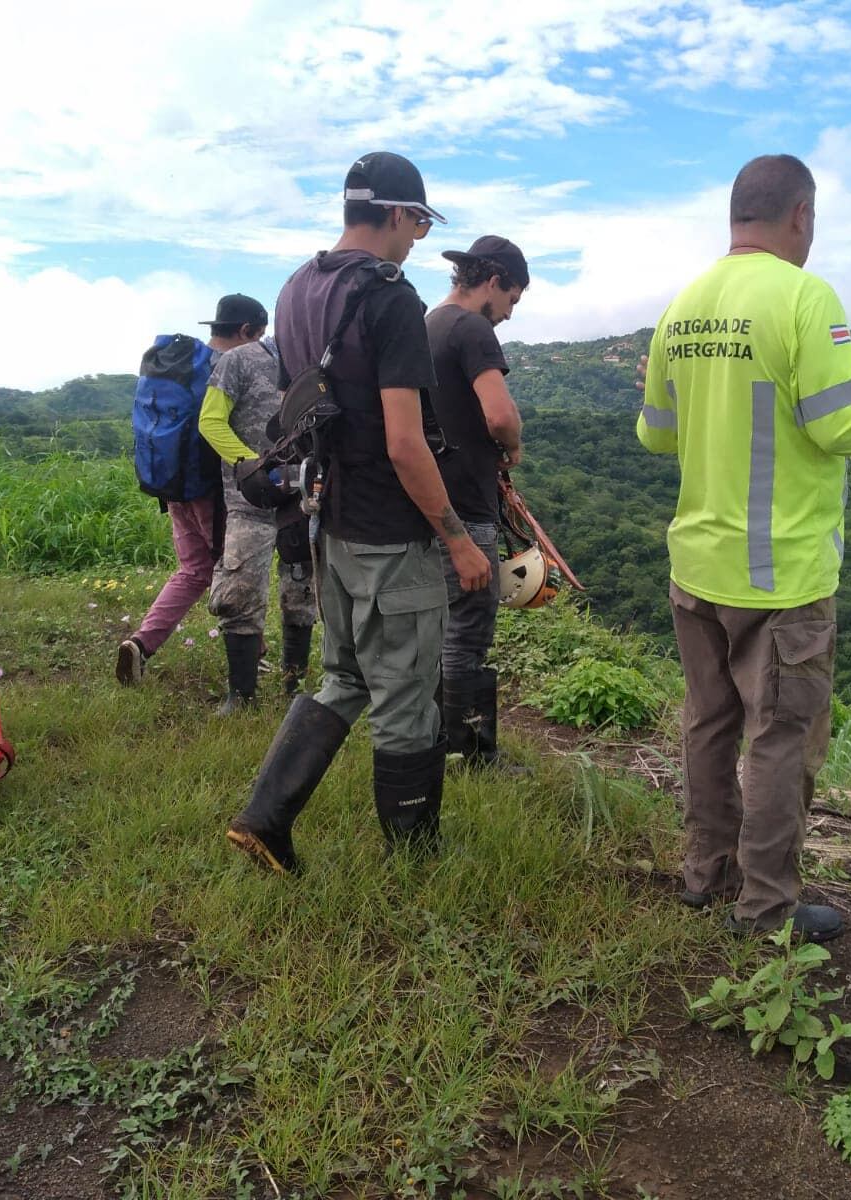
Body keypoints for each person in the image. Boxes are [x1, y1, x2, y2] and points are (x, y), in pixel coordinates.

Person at [637, 154, 851, 940]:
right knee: (781, 741)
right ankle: (764, 910)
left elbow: (654, 436)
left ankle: (703, 876)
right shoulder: (803, 297)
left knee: (708, 724)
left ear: (736, 215)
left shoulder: (682, 306)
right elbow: (842, 425)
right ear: (801, 214)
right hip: (781, 576)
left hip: (696, 564)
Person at [226, 151, 492, 873]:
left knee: (344, 677)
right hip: (391, 531)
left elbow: (303, 409)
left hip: (328, 523)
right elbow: (407, 444)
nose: (415, 240)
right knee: (407, 696)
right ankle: (418, 862)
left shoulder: (295, 289)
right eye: (418, 225)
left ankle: (265, 818)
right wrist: (459, 540)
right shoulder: (388, 296)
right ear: (401, 214)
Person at [116, 295, 266, 687]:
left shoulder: (181, 364)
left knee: (195, 569)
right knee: (234, 571)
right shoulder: (226, 368)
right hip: (209, 490)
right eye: (259, 336)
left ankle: (140, 644)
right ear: (247, 331)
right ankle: (253, 658)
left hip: (172, 483)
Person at [425, 236, 528, 767]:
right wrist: (512, 447)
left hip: (427, 503)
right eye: (511, 298)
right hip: (467, 502)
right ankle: (468, 752)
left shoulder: (425, 323)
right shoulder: (472, 329)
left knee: (441, 626)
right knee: (469, 626)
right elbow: (500, 415)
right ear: (492, 282)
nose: (508, 313)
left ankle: (439, 740)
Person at [196, 303, 318, 711]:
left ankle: (292, 685)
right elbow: (210, 420)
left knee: (301, 592)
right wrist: (249, 464)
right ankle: (241, 695)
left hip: (302, 500)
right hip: (248, 501)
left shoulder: (320, 367)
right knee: (240, 589)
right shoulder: (239, 360)